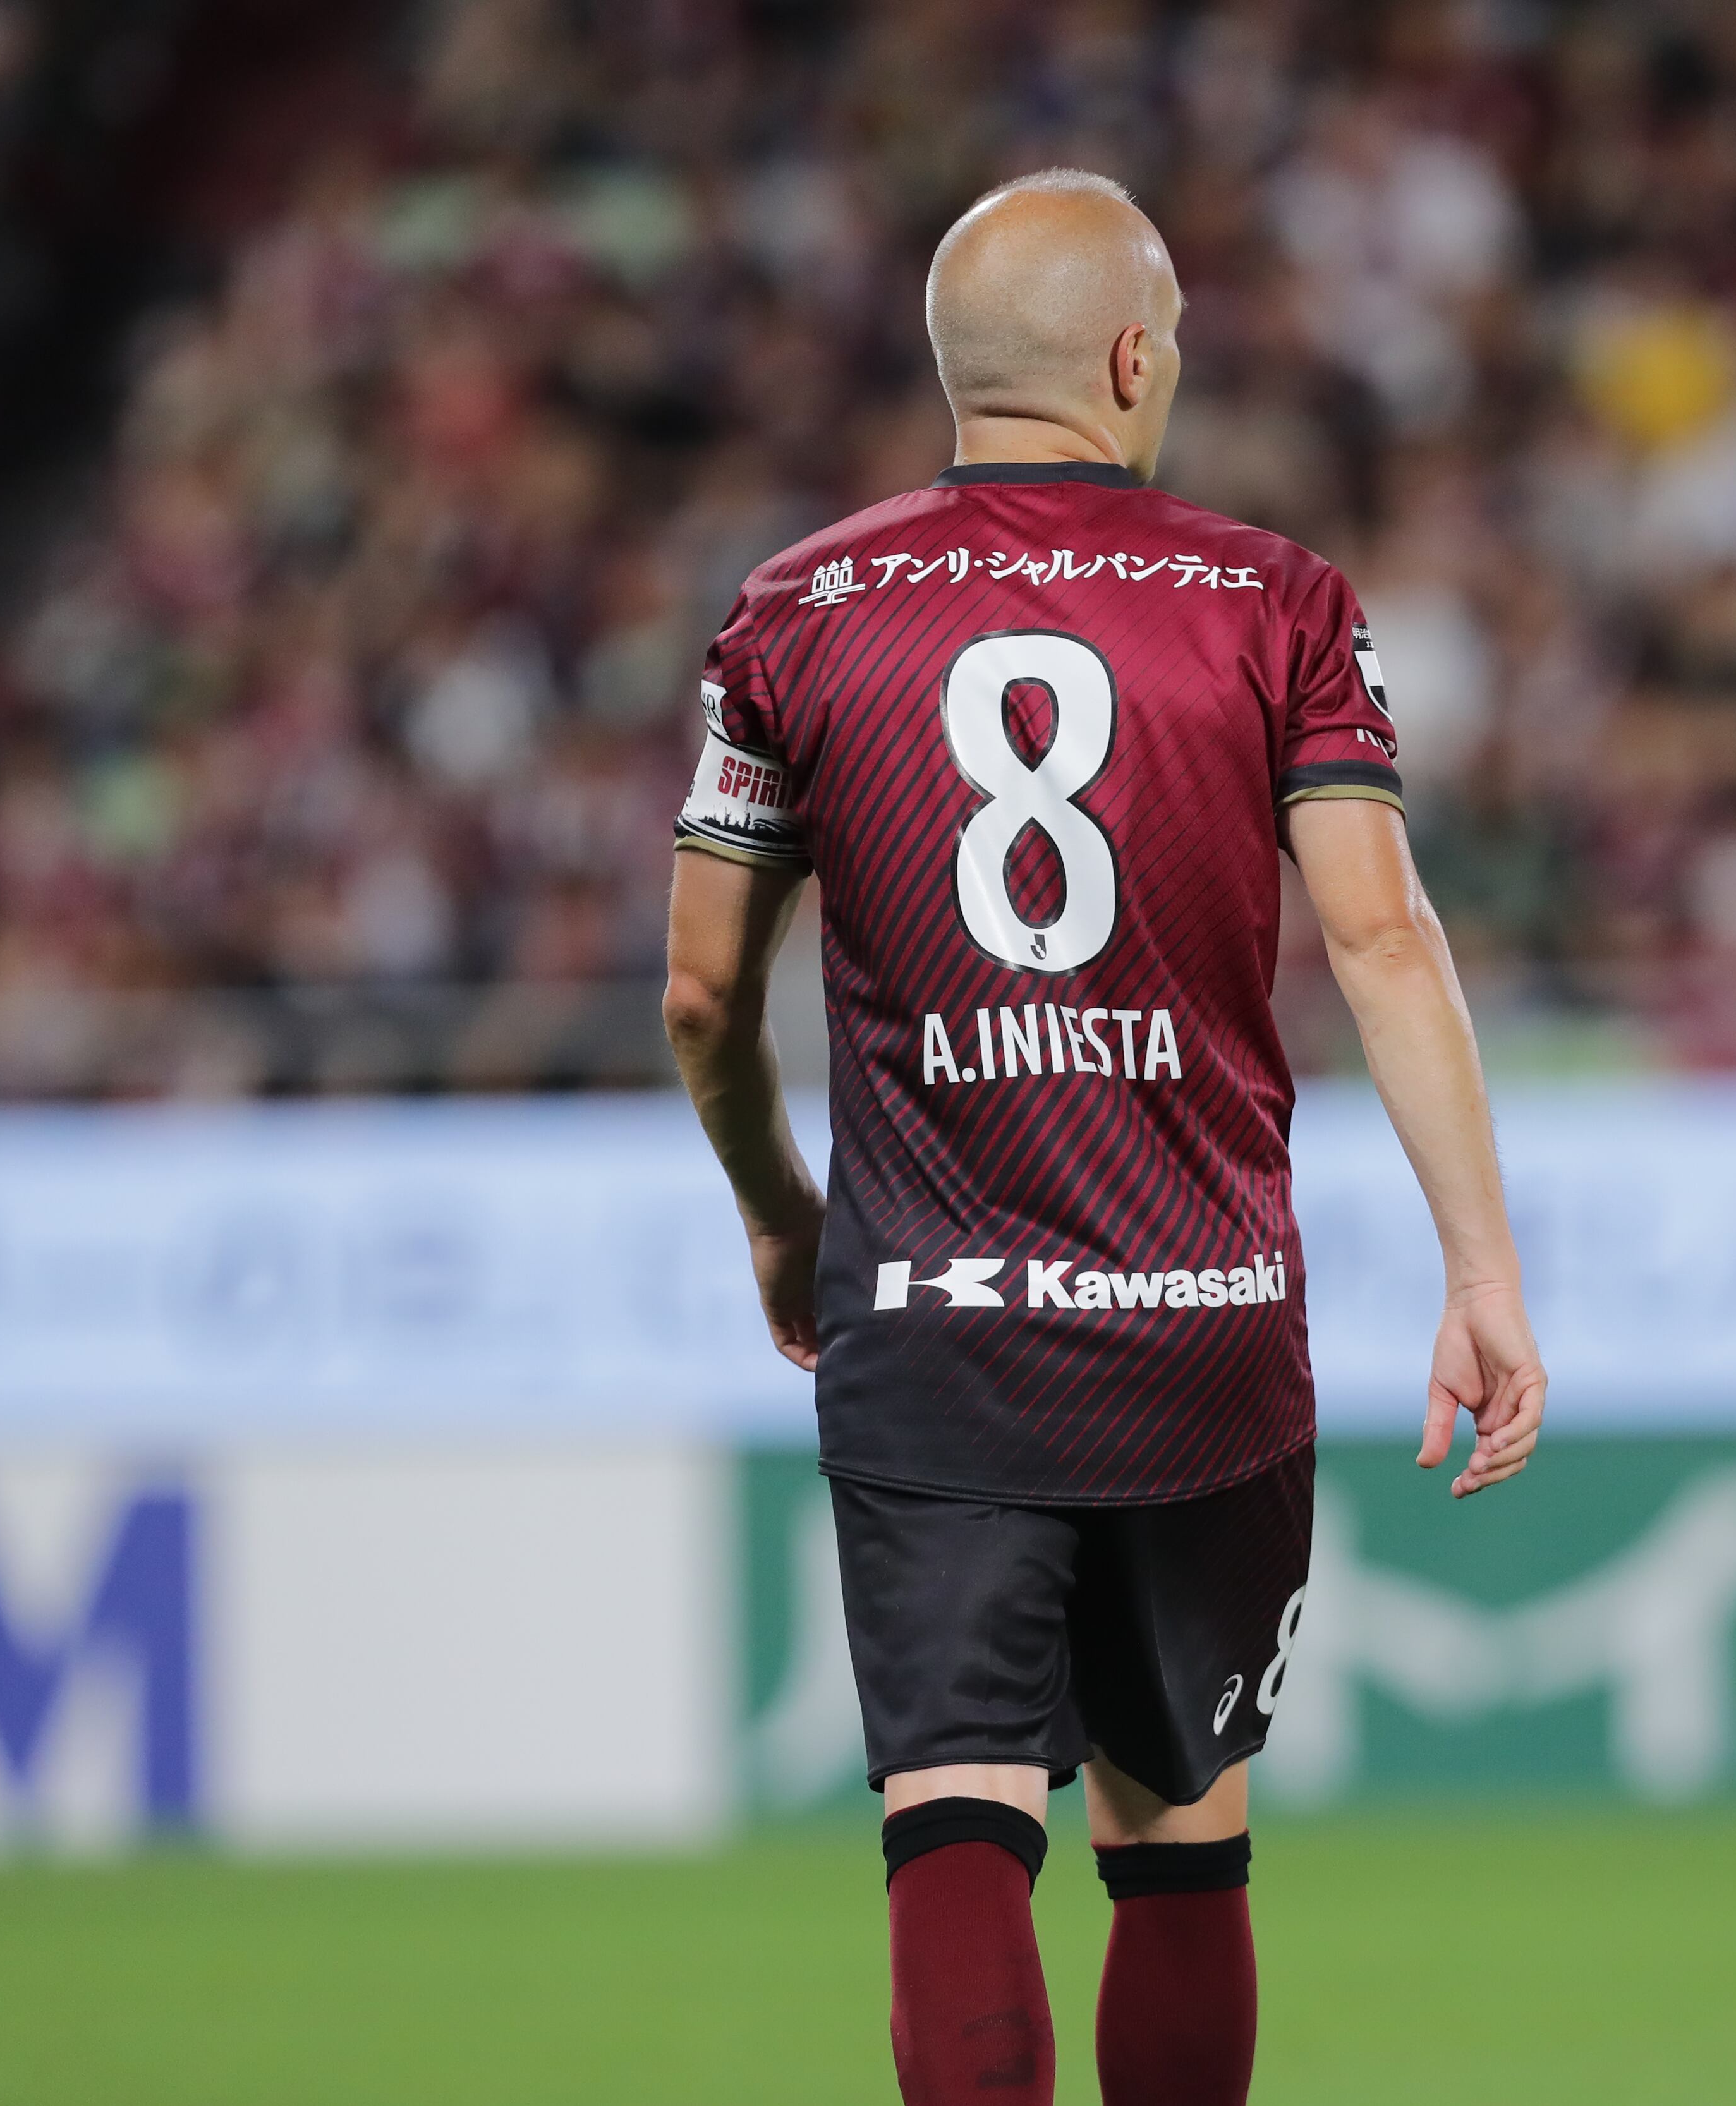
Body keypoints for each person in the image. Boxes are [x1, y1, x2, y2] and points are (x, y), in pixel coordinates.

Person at [660, 167, 1544, 2106]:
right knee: (1183, 1842)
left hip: (936, 1316)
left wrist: (779, 1213)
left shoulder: (794, 611)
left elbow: (706, 999)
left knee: (957, 1814)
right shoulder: (1277, 601)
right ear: (1136, 358)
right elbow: (1383, 937)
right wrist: (1482, 1270)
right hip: (1204, 1321)